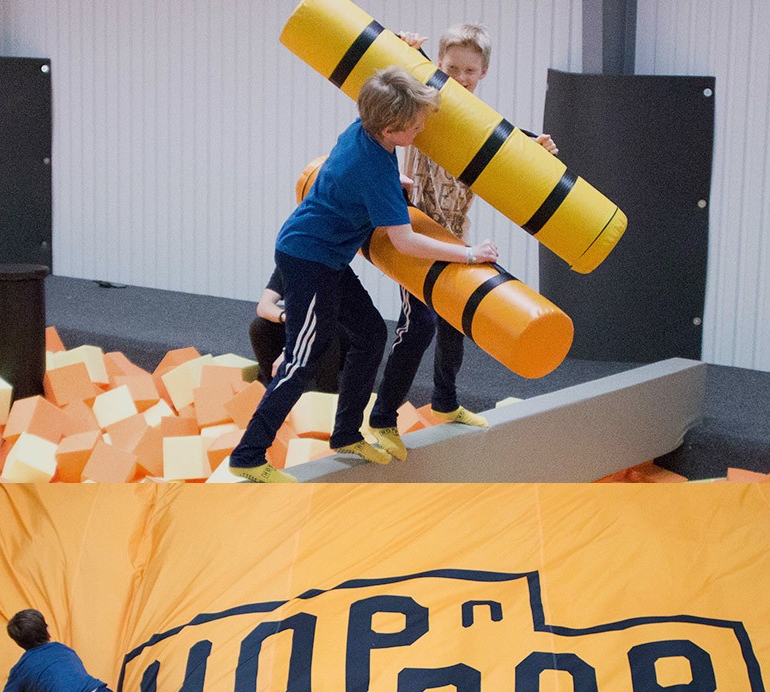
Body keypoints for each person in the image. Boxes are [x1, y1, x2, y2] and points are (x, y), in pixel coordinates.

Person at [227, 66, 497, 482]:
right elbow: (405, 241)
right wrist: (467, 253)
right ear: (390, 129)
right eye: (416, 124)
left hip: (330, 257)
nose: (423, 128)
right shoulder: (370, 163)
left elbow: (376, 160)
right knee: (303, 359)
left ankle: (346, 433)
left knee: (370, 334)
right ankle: (248, 456)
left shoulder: (365, 130)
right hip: (308, 259)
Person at [365, 24, 559, 460]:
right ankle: (382, 418)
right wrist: (403, 50)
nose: (461, 76)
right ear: (439, 64)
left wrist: (536, 147)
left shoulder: (482, 120)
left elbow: (504, 143)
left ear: (483, 72)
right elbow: (390, 85)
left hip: (454, 238)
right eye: (452, 67)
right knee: (419, 326)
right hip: (414, 234)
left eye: (470, 70)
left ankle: (446, 403)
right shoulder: (425, 101)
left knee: (453, 324)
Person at [249, 263, 343, 392]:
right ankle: (273, 388)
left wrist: (287, 351)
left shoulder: (328, 265)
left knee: (323, 335)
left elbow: (317, 320)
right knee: (260, 326)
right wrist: (285, 317)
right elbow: (263, 306)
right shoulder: (289, 262)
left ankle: (326, 395)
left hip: (331, 331)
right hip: (300, 328)